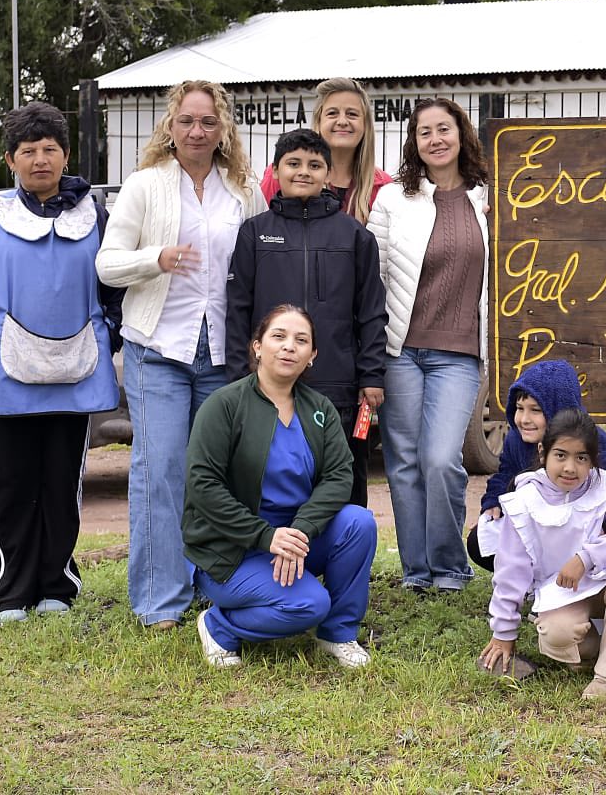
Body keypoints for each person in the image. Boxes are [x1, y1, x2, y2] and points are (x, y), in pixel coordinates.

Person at [97, 80, 266, 629]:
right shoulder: (145, 185)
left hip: (223, 353)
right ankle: (159, 600)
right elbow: (107, 264)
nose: (198, 131)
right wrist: (157, 258)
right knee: (161, 470)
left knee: (218, 476)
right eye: (188, 120)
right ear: (171, 126)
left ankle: (216, 588)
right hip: (159, 350)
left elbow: (261, 266)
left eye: (209, 122)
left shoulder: (243, 191)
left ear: (224, 130)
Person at [0, 103, 122, 623]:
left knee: (62, 482)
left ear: (66, 155)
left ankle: (57, 587)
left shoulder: (96, 214)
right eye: (28, 151)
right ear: (10, 160)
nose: (40, 159)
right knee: (13, 483)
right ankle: (13, 593)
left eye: (50, 149)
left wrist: (107, 331)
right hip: (8, 372)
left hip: (78, 367)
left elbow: (116, 280)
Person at [185, 304, 376, 669]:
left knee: (358, 523)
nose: (290, 347)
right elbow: (202, 485)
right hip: (234, 549)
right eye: (279, 336)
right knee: (310, 604)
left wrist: (298, 532)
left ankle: (338, 633)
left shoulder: (318, 408)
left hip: (295, 541)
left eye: (301, 341)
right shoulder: (223, 406)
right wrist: (265, 537)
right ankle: (218, 625)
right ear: (257, 346)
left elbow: (339, 476)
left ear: (312, 356)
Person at [226, 129, 388, 507]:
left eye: (314, 165)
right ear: (276, 170)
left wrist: (371, 375)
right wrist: (239, 375)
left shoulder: (354, 236)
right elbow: (236, 310)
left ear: (328, 174)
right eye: (293, 164)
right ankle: (274, 559)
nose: (303, 172)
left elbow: (371, 311)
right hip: (266, 385)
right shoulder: (254, 233)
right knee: (270, 477)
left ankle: (344, 560)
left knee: (342, 480)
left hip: (338, 386)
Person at [367, 97, 490, 592]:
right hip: (401, 349)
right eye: (425, 132)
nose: (436, 139)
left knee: (441, 459)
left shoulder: (491, 197)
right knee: (403, 461)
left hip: (459, 352)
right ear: (413, 142)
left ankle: (449, 566)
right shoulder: (394, 199)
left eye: (445, 129)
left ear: (461, 135)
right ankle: (417, 572)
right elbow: (372, 277)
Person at [477, 409, 606, 701]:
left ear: (593, 460)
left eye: (581, 458)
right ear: (543, 452)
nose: (570, 467)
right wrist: (503, 632)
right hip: (562, 592)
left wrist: (586, 558)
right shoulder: (525, 501)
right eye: (561, 455)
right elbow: (511, 569)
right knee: (556, 636)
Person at [468, 358, 606, 571]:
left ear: (559, 409)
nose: (524, 419)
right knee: (478, 541)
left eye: (535, 410)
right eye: (519, 408)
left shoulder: (594, 444)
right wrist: (493, 502)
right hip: (545, 530)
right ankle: (537, 579)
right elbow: (505, 474)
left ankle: (582, 581)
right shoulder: (516, 440)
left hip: (584, 535)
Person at [259, 77, 393, 224]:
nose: (342, 121)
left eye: (352, 114)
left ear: (366, 125)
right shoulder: (284, 175)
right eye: (332, 113)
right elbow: (261, 229)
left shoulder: (384, 187)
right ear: (319, 120)